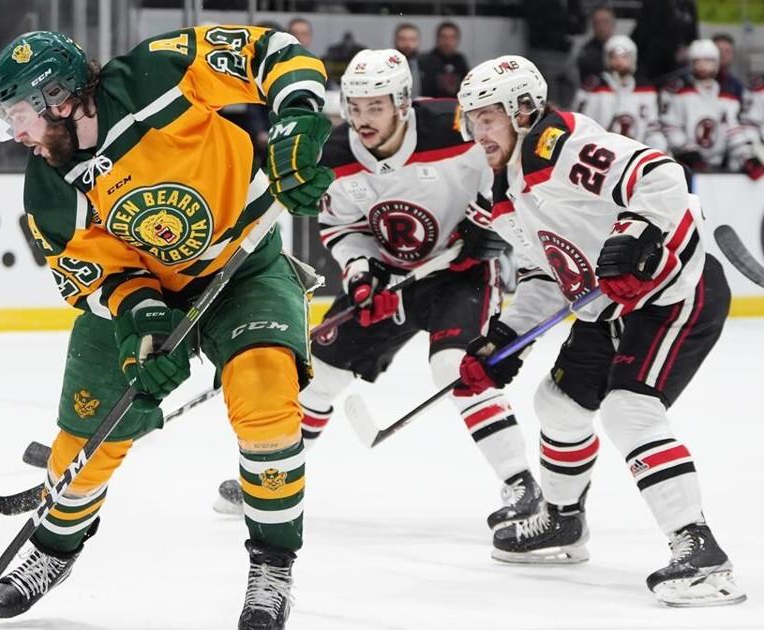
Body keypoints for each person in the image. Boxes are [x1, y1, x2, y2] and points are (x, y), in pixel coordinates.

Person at [0, 27, 331, 629]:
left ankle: (273, 565)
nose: (16, 134)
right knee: (85, 440)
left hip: (242, 265)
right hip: (149, 297)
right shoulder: (49, 186)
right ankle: (53, 549)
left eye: (20, 115)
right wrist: (140, 321)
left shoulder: (157, 75)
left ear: (59, 99)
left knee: (266, 395)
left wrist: (295, 118)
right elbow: (99, 275)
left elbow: (273, 51)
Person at [212, 49, 541, 538]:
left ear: (403, 102)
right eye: (356, 107)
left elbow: (509, 162)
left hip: (461, 271)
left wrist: (491, 218)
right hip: (389, 275)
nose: (363, 119)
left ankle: (521, 483)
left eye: (376, 106)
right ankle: (274, 476)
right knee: (317, 376)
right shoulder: (337, 154)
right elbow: (343, 226)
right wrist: (362, 273)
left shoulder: (454, 127)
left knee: (454, 367)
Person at [456, 55, 746, 607]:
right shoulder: (504, 191)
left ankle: (701, 554)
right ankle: (563, 523)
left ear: (523, 110)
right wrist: (503, 336)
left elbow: (658, 175)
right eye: (471, 120)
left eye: (488, 117)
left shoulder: (559, 147)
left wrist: (636, 238)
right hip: (607, 308)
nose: (478, 131)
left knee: (628, 409)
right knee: (558, 404)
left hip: (674, 292)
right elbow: (546, 273)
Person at [659, 40, 760, 179]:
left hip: (717, 167)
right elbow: (671, 127)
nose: (703, 66)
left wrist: (746, 157)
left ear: (717, 63)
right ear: (691, 64)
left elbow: (734, 133)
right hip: (684, 166)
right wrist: (688, 151)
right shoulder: (679, 94)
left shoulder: (728, 98)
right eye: (697, 61)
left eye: (708, 61)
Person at [573, 35, 667, 151]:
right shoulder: (593, 88)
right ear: (607, 59)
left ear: (633, 59)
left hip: (635, 156)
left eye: (625, 57)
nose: (619, 61)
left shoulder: (646, 90)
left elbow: (652, 130)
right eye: (614, 57)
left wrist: (660, 150)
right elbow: (580, 126)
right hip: (599, 154)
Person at [418, 21, 468, 98]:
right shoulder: (425, 60)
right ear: (437, 38)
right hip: (430, 106)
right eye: (444, 37)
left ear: (458, 40)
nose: (448, 41)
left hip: (456, 106)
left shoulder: (460, 60)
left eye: (452, 37)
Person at [575, 5, 615, 88]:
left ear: (613, 23)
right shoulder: (586, 52)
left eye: (605, 22)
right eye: (597, 22)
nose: (601, 27)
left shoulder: (624, 47)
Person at [393, 23, 421, 98]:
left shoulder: (427, 65)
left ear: (418, 41)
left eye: (412, 40)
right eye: (403, 39)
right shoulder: (385, 65)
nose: (407, 44)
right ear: (395, 41)